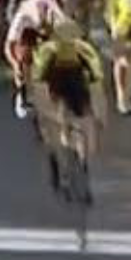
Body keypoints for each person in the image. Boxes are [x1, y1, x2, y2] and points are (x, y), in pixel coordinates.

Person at [32, 21, 108, 193]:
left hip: (66, 84)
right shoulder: (83, 49)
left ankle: (67, 160)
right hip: (66, 83)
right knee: (71, 121)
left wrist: (44, 113)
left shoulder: (48, 50)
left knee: (60, 124)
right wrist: (100, 115)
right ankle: (73, 160)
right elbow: (97, 85)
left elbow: (38, 85)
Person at [6, 0, 68, 118]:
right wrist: (15, 65)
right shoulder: (22, 17)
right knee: (22, 56)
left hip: (50, 27)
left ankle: (59, 93)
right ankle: (22, 94)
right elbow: (8, 46)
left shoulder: (56, 15)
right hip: (27, 30)